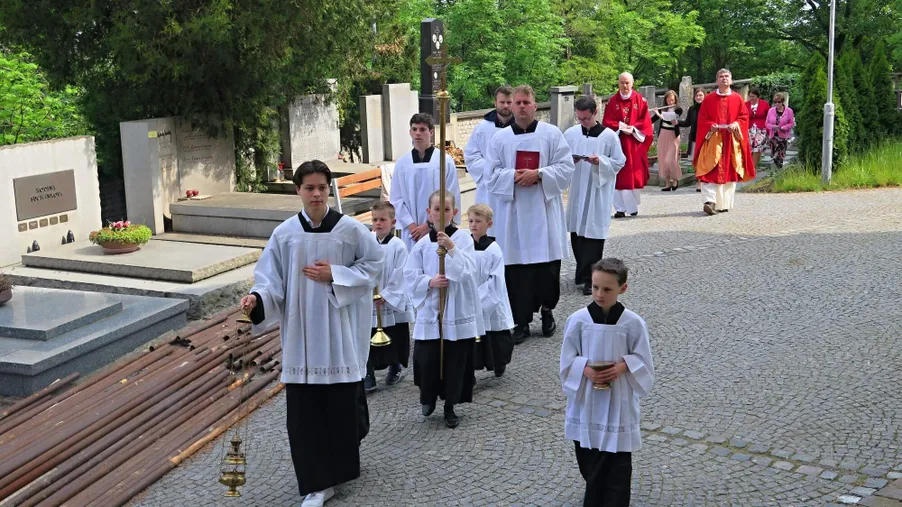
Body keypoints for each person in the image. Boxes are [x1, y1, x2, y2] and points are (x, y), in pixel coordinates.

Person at [240, 160, 383, 507]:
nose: (316, 194)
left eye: (322, 187)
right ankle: (317, 483)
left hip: (340, 332)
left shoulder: (350, 230)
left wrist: (335, 274)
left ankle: (338, 469)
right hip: (301, 338)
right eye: (309, 188)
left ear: (329, 189)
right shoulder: (285, 234)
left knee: (344, 412)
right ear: (298, 191)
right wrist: (256, 299)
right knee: (304, 418)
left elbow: (374, 266)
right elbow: (270, 280)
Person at [559, 258, 654, 507]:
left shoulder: (633, 323)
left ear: (623, 288)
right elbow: (567, 359)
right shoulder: (578, 320)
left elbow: (644, 359)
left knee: (618, 460)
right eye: (595, 287)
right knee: (587, 454)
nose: (599, 294)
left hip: (618, 399)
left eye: (607, 289)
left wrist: (623, 366)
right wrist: (585, 370)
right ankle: (595, 488)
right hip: (587, 398)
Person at [484, 84, 575, 343]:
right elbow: (490, 175)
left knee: (546, 268)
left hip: (543, 210)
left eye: (527, 102)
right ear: (511, 106)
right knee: (517, 272)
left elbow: (566, 167)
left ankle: (547, 312)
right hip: (512, 215)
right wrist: (513, 176)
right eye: (518, 102)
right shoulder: (499, 139)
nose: (522, 106)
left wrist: (540, 174)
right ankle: (520, 321)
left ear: (535, 106)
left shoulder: (551, 134)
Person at [405, 190, 483, 428]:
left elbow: (469, 272)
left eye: (446, 209)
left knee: (454, 361)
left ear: (455, 212)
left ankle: (450, 405)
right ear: (429, 212)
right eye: (436, 209)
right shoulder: (421, 245)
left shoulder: (463, 239)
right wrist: (430, 282)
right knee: (427, 358)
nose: (441, 213)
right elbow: (409, 275)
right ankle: (427, 397)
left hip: (455, 308)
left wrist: (451, 248)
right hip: (431, 308)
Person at [564, 96, 626, 296]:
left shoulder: (609, 136)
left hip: (598, 190)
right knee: (577, 233)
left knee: (593, 235)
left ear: (595, 113)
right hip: (578, 189)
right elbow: (560, 159)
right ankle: (582, 273)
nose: (583, 122)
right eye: (579, 118)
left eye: (586, 118)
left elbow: (619, 162)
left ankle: (593, 278)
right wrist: (570, 161)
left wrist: (601, 162)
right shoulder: (571, 134)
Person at [390, 113, 462, 250]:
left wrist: (429, 225)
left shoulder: (444, 160)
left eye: (422, 129)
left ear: (431, 132)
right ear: (410, 132)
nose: (418, 133)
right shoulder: (402, 163)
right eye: (414, 129)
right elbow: (396, 199)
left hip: (438, 227)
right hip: (412, 232)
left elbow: (451, 195)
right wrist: (412, 226)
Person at [364, 201, 413, 392]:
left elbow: (402, 273)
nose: (378, 223)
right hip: (369, 299)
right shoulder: (367, 242)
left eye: (382, 219)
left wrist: (386, 295)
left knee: (394, 335)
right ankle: (369, 372)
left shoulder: (398, 246)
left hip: (390, 300)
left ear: (393, 222)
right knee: (368, 336)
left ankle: (395, 366)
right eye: (375, 219)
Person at [693, 69, 755, 215]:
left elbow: (744, 117)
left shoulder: (737, 98)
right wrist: (710, 126)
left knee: (729, 171)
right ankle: (710, 202)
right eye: (721, 76)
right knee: (709, 170)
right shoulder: (708, 99)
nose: (724, 79)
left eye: (727, 76)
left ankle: (723, 204)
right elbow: (702, 118)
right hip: (713, 141)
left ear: (731, 80)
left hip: (730, 141)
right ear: (717, 81)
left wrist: (736, 124)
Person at [467, 204, 515, 373]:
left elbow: (496, 280)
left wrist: (479, 298)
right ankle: (474, 366)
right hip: (471, 296)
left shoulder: (494, 250)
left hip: (491, 300)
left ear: (489, 224)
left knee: (495, 335)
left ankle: (499, 363)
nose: (473, 225)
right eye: (471, 220)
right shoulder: (465, 247)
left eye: (478, 221)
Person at [601, 72, 653, 218]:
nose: (625, 85)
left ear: (632, 83)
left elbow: (646, 121)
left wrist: (634, 128)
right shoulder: (612, 102)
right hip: (618, 143)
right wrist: (620, 126)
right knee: (619, 175)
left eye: (627, 82)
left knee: (632, 174)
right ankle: (619, 209)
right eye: (622, 82)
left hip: (634, 143)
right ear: (618, 83)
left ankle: (632, 207)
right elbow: (607, 122)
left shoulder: (640, 100)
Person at [464, 85, 514, 223]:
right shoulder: (482, 128)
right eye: (502, 102)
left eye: (509, 102)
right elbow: (471, 156)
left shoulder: (521, 128)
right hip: (488, 187)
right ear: (495, 102)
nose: (506, 106)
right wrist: (492, 170)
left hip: (512, 185)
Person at [651, 90, 684, 192]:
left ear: (675, 100)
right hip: (663, 135)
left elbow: (669, 119)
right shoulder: (663, 109)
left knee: (670, 160)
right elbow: (651, 120)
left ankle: (675, 179)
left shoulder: (678, 109)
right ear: (666, 100)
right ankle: (667, 183)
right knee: (662, 159)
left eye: (672, 100)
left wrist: (658, 113)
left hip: (673, 136)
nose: (670, 101)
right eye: (668, 100)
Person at [679, 87, 706, 192]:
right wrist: (676, 122)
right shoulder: (692, 109)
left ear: (704, 96)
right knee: (694, 161)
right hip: (694, 138)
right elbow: (687, 123)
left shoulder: (708, 107)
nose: (699, 97)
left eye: (701, 95)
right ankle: (699, 178)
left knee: (702, 161)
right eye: (697, 95)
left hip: (705, 138)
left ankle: (700, 181)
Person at [765, 93, 795, 169]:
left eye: (779, 102)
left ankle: (779, 171)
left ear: (782, 102)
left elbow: (791, 123)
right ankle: (779, 171)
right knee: (774, 155)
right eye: (775, 102)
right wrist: (773, 127)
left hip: (783, 137)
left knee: (778, 156)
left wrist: (784, 127)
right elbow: (767, 123)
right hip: (773, 137)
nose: (777, 104)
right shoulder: (771, 111)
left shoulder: (789, 111)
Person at [745, 88, 770, 169]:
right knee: (750, 148)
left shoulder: (764, 104)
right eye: (750, 96)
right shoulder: (746, 104)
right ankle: (750, 166)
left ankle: (752, 168)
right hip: (749, 129)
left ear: (758, 96)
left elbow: (769, 116)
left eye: (753, 96)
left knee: (757, 148)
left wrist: (767, 128)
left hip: (761, 129)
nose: (751, 98)